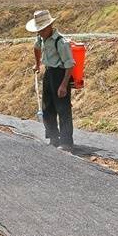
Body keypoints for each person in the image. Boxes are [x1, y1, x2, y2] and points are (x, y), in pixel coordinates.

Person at [28, 10, 76, 151]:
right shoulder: (41, 38)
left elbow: (70, 65)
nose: (40, 33)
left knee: (63, 108)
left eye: (42, 29)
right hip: (48, 73)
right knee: (47, 108)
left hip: (61, 74)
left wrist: (63, 85)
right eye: (39, 30)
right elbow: (36, 48)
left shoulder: (61, 42)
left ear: (50, 26)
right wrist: (37, 64)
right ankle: (54, 138)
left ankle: (66, 142)